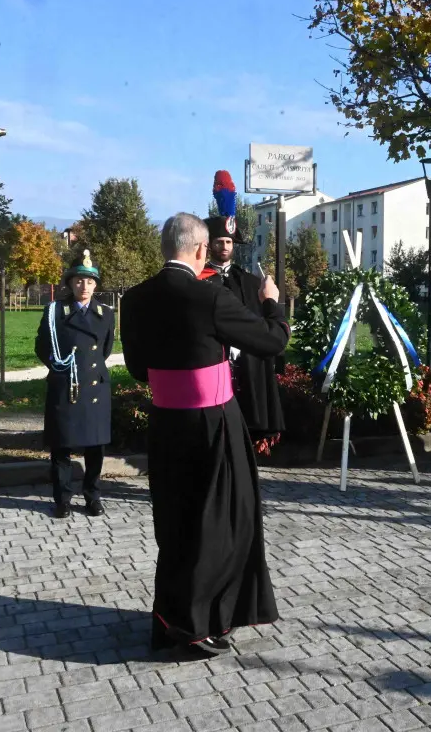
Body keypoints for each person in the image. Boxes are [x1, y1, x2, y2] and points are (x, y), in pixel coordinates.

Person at [121, 212, 290, 657]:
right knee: (225, 522)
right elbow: (272, 341)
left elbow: (139, 369)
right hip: (212, 424)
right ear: (199, 249)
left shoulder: (135, 299)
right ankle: (200, 623)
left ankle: (170, 619)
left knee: (175, 524)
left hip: (165, 423)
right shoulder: (208, 296)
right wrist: (271, 301)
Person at [200, 170, 284, 451]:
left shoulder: (248, 282)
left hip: (244, 367)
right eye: (219, 242)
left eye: (228, 242)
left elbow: (261, 326)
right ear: (209, 244)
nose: (224, 246)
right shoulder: (199, 281)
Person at [35, 250, 116, 519]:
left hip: (94, 388)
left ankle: (93, 496)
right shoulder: (55, 312)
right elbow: (42, 346)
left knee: (95, 447)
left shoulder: (106, 313)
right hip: (66, 386)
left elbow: (104, 350)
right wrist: (62, 367)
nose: (84, 286)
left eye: (90, 281)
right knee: (62, 447)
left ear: (96, 284)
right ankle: (62, 499)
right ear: (70, 283)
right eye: (79, 281)